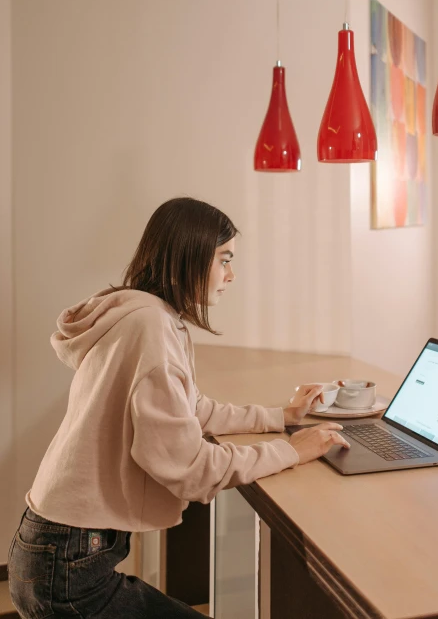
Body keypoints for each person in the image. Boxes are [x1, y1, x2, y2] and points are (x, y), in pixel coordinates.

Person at [8, 197, 348, 618]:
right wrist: (290, 451)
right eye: (224, 259)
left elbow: (192, 409)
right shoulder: (151, 328)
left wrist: (280, 417)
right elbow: (189, 467)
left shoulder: (145, 315)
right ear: (189, 255)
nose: (231, 274)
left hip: (54, 550)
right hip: (69, 568)